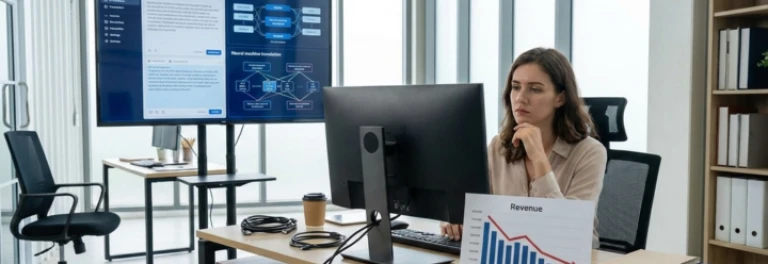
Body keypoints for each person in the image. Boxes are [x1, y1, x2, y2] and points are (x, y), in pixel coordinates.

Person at [440, 47, 607, 249]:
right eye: (516, 87)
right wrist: (454, 219)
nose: (520, 97)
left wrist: (539, 160)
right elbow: (470, 206)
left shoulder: (589, 152)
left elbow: (569, 232)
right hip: (509, 253)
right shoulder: (498, 146)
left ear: (560, 98)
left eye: (535, 89)